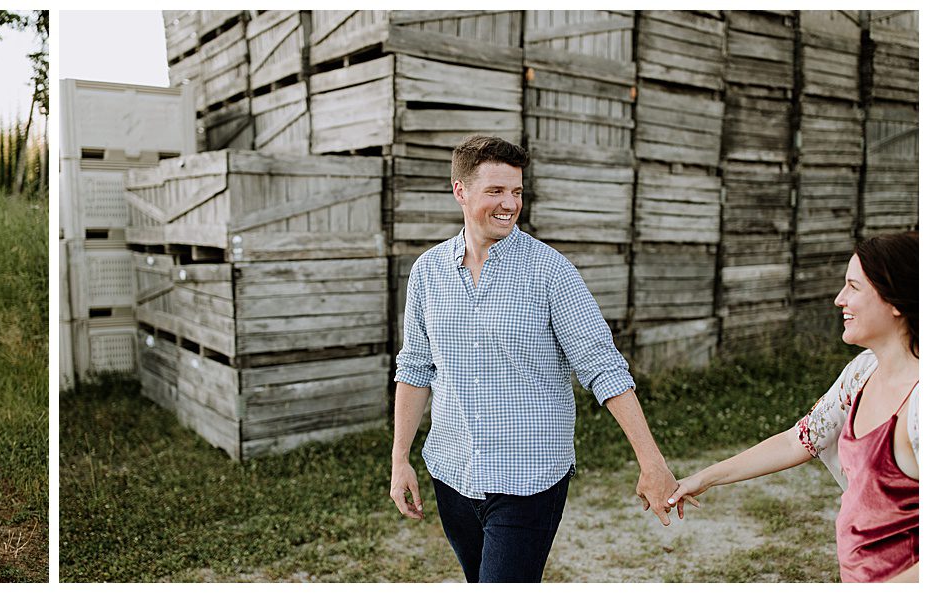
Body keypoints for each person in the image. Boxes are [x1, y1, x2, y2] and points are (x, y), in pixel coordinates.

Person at [387, 135, 682, 582]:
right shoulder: (428, 272)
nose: (510, 204)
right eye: (496, 191)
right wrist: (399, 460)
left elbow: (602, 367)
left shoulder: (550, 272)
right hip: (452, 473)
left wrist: (652, 462)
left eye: (517, 191)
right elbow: (414, 368)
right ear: (460, 191)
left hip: (528, 479)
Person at [668, 233, 918, 583]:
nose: (839, 299)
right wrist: (703, 479)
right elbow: (797, 440)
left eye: (853, 287)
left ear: (895, 301)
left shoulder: (918, 405)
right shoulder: (862, 372)